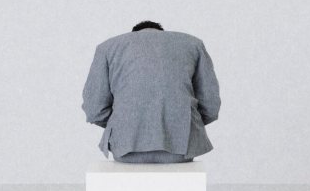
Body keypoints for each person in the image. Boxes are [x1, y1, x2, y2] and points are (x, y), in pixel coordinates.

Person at [82, 21, 221, 164]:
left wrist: (121, 123)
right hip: (182, 147)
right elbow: (210, 102)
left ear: (134, 34)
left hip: (124, 147)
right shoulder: (194, 44)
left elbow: (94, 108)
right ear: (162, 32)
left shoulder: (107, 48)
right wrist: (188, 124)